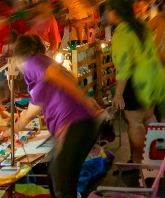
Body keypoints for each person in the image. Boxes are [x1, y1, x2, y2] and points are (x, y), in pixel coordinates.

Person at [12, 35, 104, 198]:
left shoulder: (32, 61)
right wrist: (11, 131)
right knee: (58, 180)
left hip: (75, 124)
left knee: (60, 182)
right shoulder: (39, 77)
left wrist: (83, 99)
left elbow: (55, 74)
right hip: (82, 125)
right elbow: (28, 114)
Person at [108, 0, 165, 162]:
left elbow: (123, 66)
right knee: (149, 116)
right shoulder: (141, 26)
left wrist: (119, 93)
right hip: (153, 76)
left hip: (136, 81)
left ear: (114, 12)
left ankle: (140, 161)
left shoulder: (121, 32)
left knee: (135, 122)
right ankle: (156, 156)